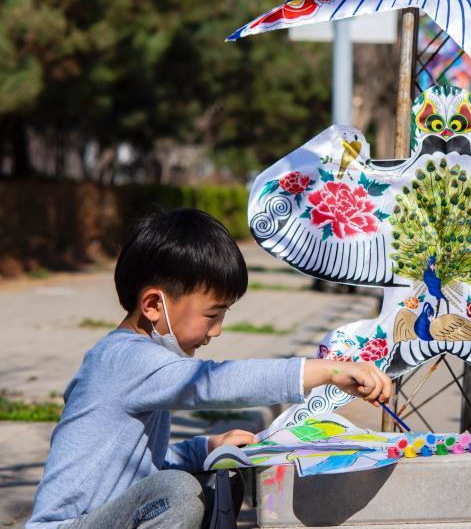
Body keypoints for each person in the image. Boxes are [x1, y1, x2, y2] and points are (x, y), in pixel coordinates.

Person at [28, 209, 392, 529]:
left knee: (211, 476)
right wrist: (327, 371)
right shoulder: (126, 360)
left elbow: (143, 464)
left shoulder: (140, 360)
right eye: (212, 314)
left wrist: (206, 447)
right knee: (178, 491)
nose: (217, 330)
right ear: (154, 304)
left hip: (109, 516)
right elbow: (213, 382)